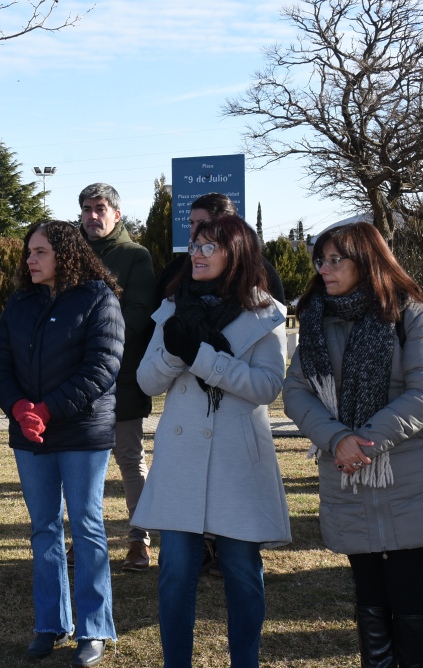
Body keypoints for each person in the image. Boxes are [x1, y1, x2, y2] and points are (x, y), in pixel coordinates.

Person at [282, 221, 423, 667]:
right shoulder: (317, 319)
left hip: (407, 473)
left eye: (335, 259)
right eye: (320, 260)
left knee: (407, 594)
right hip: (346, 477)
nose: (324, 268)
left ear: (367, 260)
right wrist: (337, 439)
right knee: (368, 597)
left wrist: (362, 442)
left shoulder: (412, 314)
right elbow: (297, 391)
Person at [134, 214, 290, 667]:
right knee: (175, 573)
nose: (196, 254)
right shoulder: (171, 306)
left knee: (242, 574)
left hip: (237, 462)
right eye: (194, 245)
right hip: (181, 458)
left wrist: (201, 356)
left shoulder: (264, 312)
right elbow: (146, 381)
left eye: (208, 246)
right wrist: (172, 351)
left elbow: (267, 387)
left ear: (235, 252)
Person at [0, 220, 123, 667]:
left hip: (81, 431)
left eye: (40, 251)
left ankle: (94, 627)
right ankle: (50, 623)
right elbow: (0, 361)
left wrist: (47, 410)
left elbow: (102, 366)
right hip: (29, 435)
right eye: (29, 251)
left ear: (66, 254)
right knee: (44, 528)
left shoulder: (98, 297)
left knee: (85, 527)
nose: (30, 259)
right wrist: (19, 408)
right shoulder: (20, 301)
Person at [78, 183, 156, 572]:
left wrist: (96, 341)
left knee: (128, 459)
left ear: (117, 214)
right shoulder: (70, 253)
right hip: (75, 380)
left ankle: (139, 540)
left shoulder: (135, 256)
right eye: (87, 209)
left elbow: (141, 312)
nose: (93, 215)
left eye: (100, 208)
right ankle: (82, 538)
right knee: (81, 463)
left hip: (120, 375)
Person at [156, 193, 285, 305]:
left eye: (201, 223)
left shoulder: (261, 271)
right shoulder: (175, 270)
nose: (194, 230)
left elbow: (274, 317)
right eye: (191, 223)